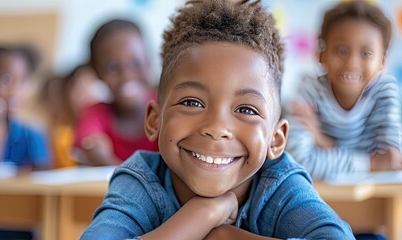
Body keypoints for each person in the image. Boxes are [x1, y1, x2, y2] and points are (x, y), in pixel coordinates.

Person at [81, 1, 354, 239]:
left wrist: (226, 236)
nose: (217, 128)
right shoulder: (141, 181)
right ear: (154, 120)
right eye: (192, 102)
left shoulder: (278, 184)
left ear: (276, 139)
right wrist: (202, 215)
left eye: (246, 109)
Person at [285, 1, 402, 180]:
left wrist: (323, 142)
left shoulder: (384, 91)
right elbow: (299, 161)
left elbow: (392, 162)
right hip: (324, 197)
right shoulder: (309, 89)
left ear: (382, 62)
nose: (352, 63)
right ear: (321, 55)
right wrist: (370, 163)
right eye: (341, 50)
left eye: (366, 53)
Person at [74, 19, 158, 166]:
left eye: (136, 63)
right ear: (97, 73)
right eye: (113, 68)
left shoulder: (168, 108)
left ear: (149, 62)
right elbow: (89, 147)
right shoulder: (96, 114)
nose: (126, 76)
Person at [0, 47, 50, 169]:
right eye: (5, 80)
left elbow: (43, 176)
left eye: (22, 81)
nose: (15, 90)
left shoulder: (31, 133)